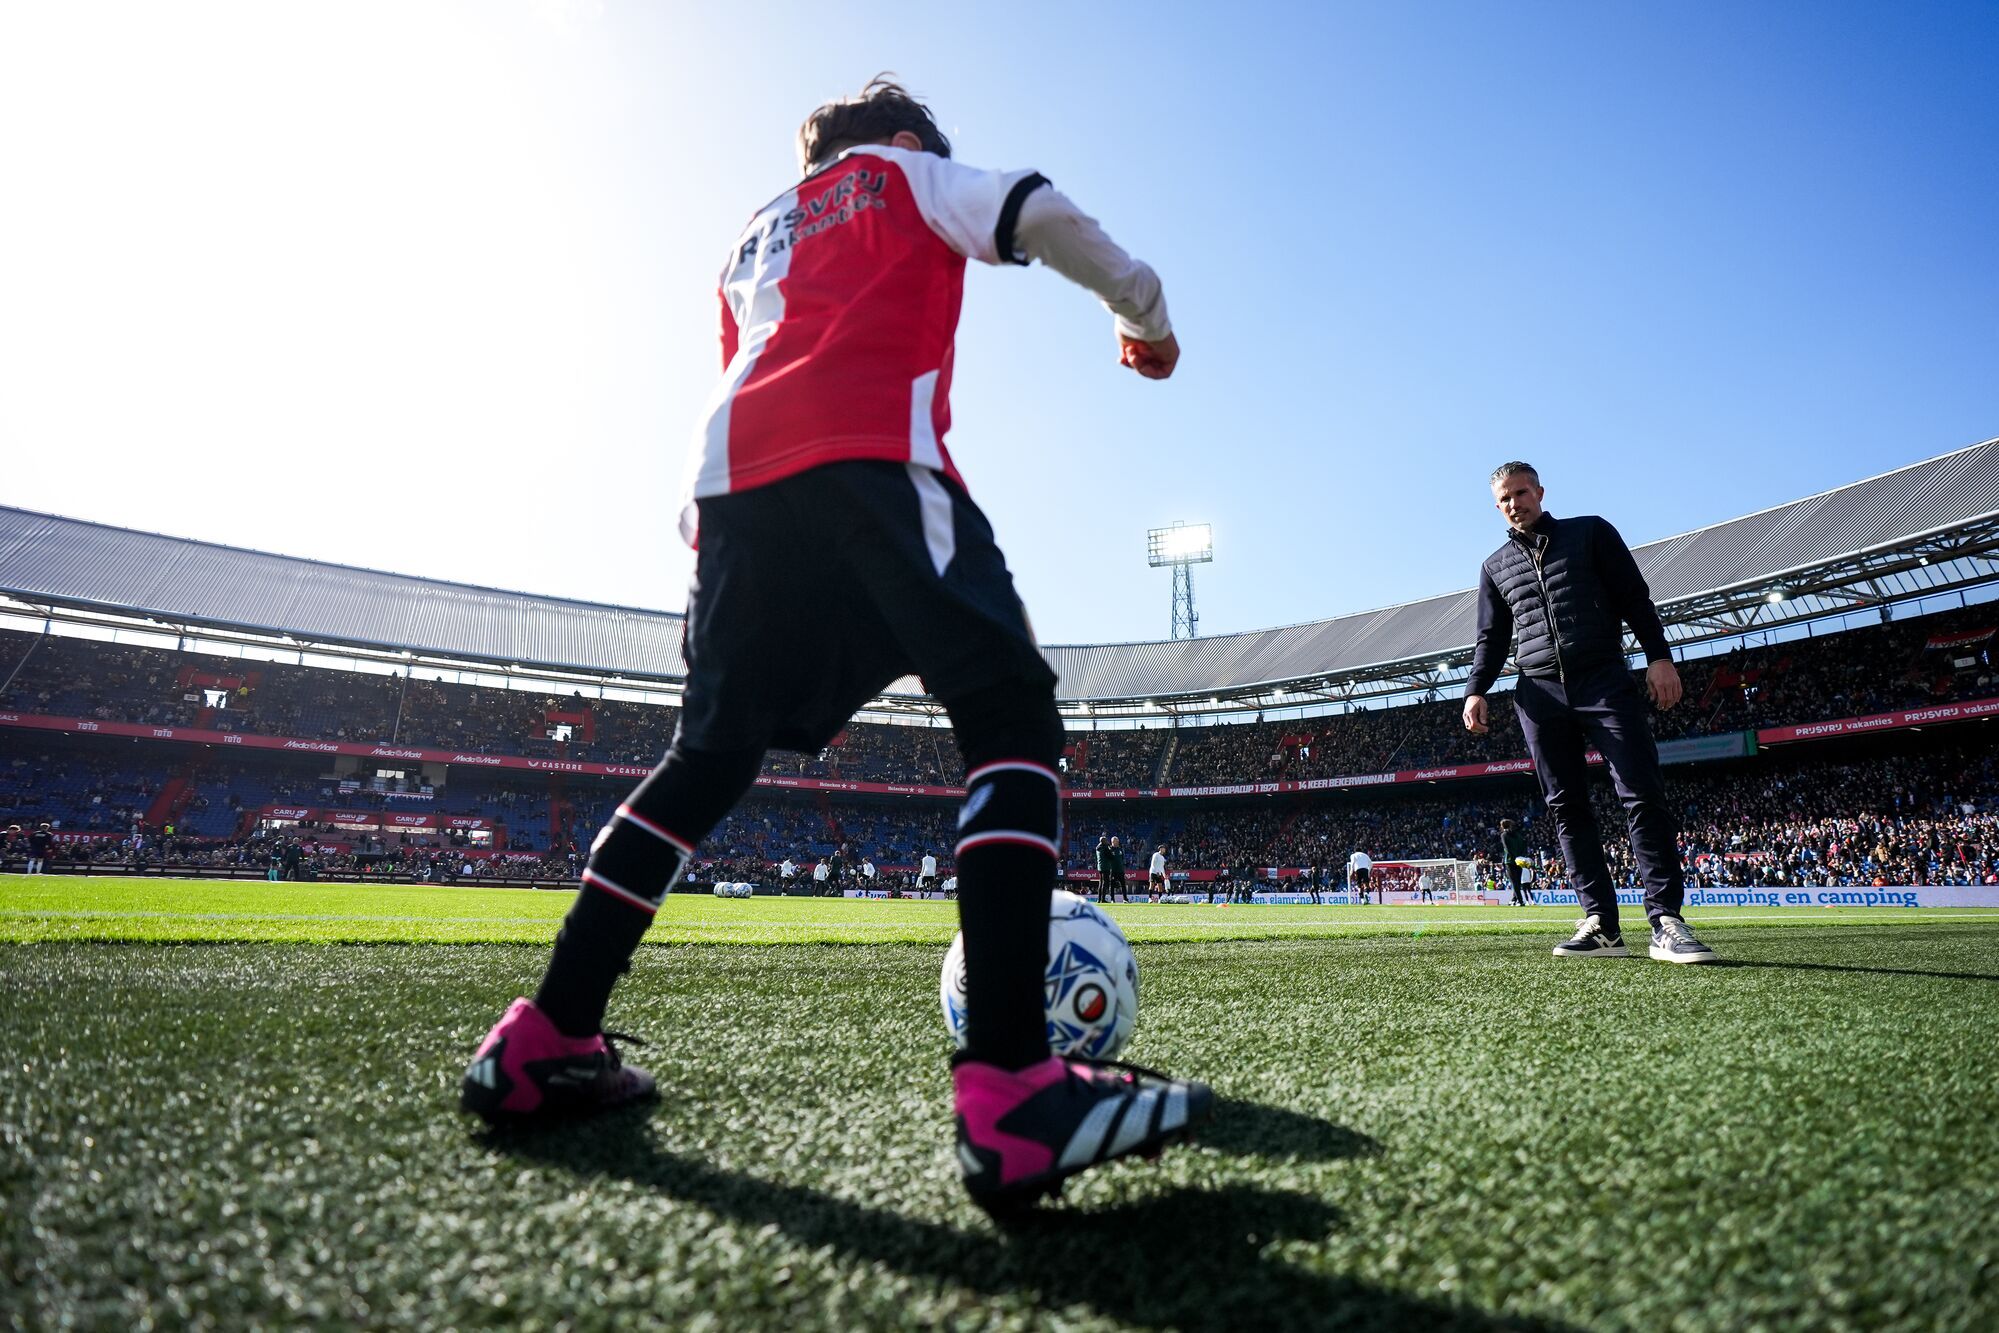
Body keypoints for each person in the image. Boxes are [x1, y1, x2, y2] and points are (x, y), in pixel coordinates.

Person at [461, 78, 1209, 1211]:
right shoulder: (903, 172)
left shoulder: (750, 236)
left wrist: (711, 550)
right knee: (1010, 718)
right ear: (904, 139)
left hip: (734, 495)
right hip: (871, 461)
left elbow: (747, 371)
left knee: (705, 758)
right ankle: (1013, 1087)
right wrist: (1142, 317)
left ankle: (544, 1035)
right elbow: (1034, 206)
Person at [1463, 462, 1716, 963]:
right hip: (1538, 694)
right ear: (1497, 506)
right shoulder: (1494, 566)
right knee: (1566, 807)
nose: (1514, 504)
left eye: (1521, 492)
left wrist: (1659, 657)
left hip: (1603, 679)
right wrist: (1475, 690)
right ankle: (1601, 924)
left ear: (1539, 492)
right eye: (1504, 499)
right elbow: (1491, 638)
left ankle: (1666, 921)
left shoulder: (1591, 533)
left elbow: (1634, 598)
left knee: (1641, 792)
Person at [1499, 819, 1533, 906]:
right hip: (1519, 861)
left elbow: (1507, 848)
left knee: (1514, 882)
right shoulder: (1518, 835)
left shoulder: (1504, 835)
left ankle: (1520, 901)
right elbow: (1524, 845)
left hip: (1510, 860)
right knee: (1517, 881)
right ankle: (1514, 899)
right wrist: (1521, 856)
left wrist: (1514, 857)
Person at [1106, 836, 1127, 903]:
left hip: (1120, 870)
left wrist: (1123, 869)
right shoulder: (1109, 849)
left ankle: (1125, 899)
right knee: (1112, 885)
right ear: (1112, 842)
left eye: (1117, 841)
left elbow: (1122, 859)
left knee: (1123, 885)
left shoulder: (1120, 849)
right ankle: (1112, 899)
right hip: (1113, 870)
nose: (1116, 842)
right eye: (1115, 841)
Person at [1093, 834, 1112, 903]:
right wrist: (1109, 847)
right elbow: (1110, 856)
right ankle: (1103, 899)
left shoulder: (1098, 847)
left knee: (1100, 883)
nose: (1107, 841)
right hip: (1105, 866)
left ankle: (1099, 899)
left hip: (1100, 867)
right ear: (1103, 841)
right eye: (1106, 840)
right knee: (1105, 883)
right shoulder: (1105, 848)